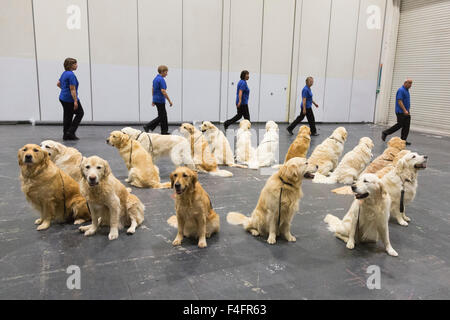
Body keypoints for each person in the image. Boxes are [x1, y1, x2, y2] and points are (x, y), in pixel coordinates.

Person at [57, 57, 84, 140]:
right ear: (70, 65)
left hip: (63, 98)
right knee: (80, 113)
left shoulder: (65, 73)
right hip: (69, 99)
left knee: (68, 116)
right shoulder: (71, 75)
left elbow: (58, 83)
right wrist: (75, 101)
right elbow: (72, 89)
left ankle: (66, 135)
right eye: (75, 64)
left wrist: (64, 90)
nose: (77, 65)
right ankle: (71, 132)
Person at [382, 79, 413, 145]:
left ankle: (403, 141)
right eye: (409, 83)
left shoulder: (407, 91)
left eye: (411, 83)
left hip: (406, 112)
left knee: (406, 126)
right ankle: (385, 132)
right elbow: (399, 101)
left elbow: (407, 102)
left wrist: (408, 110)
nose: (410, 85)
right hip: (400, 112)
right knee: (400, 125)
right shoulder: (401, 90)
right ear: (405, 83)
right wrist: (404, 110)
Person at [144, 65, 173, 134]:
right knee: (162, 117)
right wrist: (169, 101)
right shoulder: (161, 79)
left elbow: (153, 89)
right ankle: (148, 126)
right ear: (162, 72)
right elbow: (163, 91)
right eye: (166, 72)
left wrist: (153, 99)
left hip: (156, 99)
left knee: (164, 116)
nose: (167, 74)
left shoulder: (155, 79)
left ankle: (164, 131)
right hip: (160, 100)